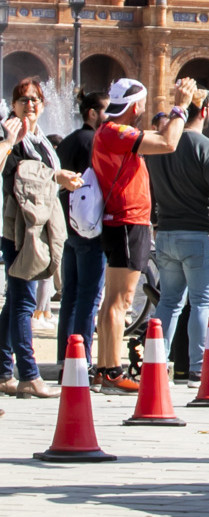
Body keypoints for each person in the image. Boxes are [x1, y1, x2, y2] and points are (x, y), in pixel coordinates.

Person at [92, 76, 198, 394]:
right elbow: (168, 143)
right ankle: (111, 372)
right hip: (128, 222)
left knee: (112, 300)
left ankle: (104, 369)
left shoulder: (111, 132)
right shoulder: (116, 132)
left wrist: (171, 116)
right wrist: (180, 106)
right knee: (121, 300)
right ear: (136, 106)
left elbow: (161, 136)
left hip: (121, 222)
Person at [145, 88, 209, 383]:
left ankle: (157, 363)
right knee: (202, 303)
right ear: (206, 110)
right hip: (202, 234)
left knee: (169, 302)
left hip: (167, 234)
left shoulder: (159, 147)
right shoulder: (208, 147)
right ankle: (199, 367)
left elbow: (151, 192)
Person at [0, 79, 80, 399]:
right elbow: (18, 174)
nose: (30, 104)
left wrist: (61, 178)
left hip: (36, 227)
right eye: (23, 100)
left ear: (43, 105)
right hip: (17, 230)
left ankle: (4, 371)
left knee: (15, 301)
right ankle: (29, 375)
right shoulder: (12, 140)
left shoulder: (40, 141)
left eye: (35, 99)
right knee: (23, 301)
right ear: (13, 105)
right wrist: (9, 139)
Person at [54, 90, 107, 379]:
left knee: (70, 296)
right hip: (88, 229)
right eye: (105, 111)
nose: (108, 117)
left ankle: (66, 359)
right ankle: (82, 359)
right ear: (92, 113)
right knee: (89, 296)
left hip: (68, 227)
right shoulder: (92, 142)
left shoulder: (71, 140)